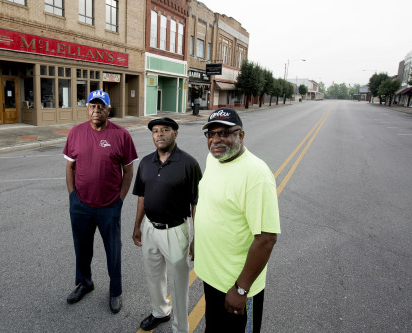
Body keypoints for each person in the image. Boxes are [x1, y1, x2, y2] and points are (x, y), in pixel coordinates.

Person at [191, 108, 281, 332]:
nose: (215, 140)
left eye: (224, 133)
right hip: (212, 277)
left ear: (241, 135)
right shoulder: (214, 158)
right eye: (211, 134)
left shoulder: (256, 175)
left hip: (236, 284)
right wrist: (198, 238)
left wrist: (241, 289)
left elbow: (267, 239)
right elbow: (210, 203)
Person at [63, 90, 138, 314]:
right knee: (82, 248)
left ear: (108, 110)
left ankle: (115, 291)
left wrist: (119, 201)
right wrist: (72, 196)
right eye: (92, 106)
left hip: (109, 206)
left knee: (113, 251)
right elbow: (70, 167)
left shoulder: (121, 135)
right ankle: (85, 283)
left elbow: (128, 171)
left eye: (101, 106)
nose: (96, 110)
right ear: (87, 108)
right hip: (81, 205)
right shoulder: (76, 133)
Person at [132, 117, 202, 332]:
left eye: (165, 130)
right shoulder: (145, 162)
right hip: (151, 229)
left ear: (175, 134)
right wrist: (137, 226)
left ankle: (181, 327)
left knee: (178, 284)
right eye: (155, 131)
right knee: (153, 276)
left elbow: (196, 204)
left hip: (176, 230)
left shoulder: (189, 164)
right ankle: (160, 311)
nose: (159, 134)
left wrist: (196, 238)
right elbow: (142, 197)